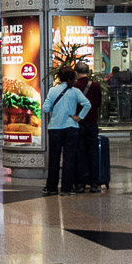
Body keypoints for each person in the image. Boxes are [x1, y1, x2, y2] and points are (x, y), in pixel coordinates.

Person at [41, 66, 91, 196]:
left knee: (54, 158)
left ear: (58, 77)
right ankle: (66, 188)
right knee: (69, 158)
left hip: (55, 128)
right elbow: (87, 104)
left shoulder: (53, 91)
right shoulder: (75, 91)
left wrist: (54, 108)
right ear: (73, 77)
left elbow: (45, 108)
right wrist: (79, 117)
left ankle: (51, 187)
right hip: (71, 127)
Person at [73, 62, 103, 193]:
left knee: (79, 153)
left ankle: (80, 183)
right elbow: (98, 103)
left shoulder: (74, 87)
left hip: (78, 124)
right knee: (93, 153)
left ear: (76, 73)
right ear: (88, 72)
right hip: (92, 123)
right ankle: (95, 183)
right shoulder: (96, 86)